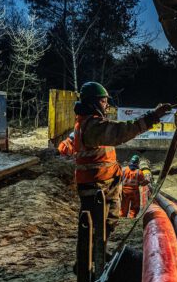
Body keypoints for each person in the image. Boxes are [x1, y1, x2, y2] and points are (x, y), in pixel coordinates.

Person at [73, 81, 171, 233]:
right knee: (95, 227)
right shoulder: (92, 126)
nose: (106, 105)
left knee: (103, 226)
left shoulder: (86, 123)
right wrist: (152, 117)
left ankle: (99, 253)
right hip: (96, 187)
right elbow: (121, 131)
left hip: (101, 185)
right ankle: (92, 255)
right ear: (93, 103)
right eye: (103, 101)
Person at [120, 154, 150, 219]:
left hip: (125, 191)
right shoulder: (139, 172)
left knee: (124, 206)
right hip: (134, 192)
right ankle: (132, 218)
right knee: (134, 207)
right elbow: (142, 183)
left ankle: (122, 218)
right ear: (137, 163)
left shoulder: (124, 169)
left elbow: (119, 179)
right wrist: (147, 180)